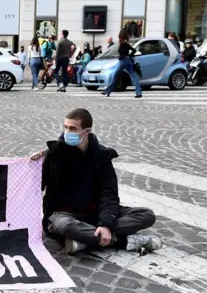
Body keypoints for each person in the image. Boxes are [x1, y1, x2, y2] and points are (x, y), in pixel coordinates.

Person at [32, 108, 161, 254]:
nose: (67, 132)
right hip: (64, 215)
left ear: (87, 131)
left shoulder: (102, 156)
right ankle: (122, 241)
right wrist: (33, 167)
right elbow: (36, 186)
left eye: (73, 128)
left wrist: (106, 224)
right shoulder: (54, 153)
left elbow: (109, 192)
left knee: (146, 215)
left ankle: (84, 240)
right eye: (65, 127)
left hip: (95, 213)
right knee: (64, 225)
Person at [103, 29, 142, 98]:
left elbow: (122, 54)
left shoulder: (122, 44)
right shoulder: (127, 44)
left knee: (115, 75)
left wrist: (119, 57)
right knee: (134, 76)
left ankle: (108, 90)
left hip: (123, 61)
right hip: (128, 61)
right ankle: (138, 92)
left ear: (121, 37)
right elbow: (134, 50)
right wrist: (129, 56)